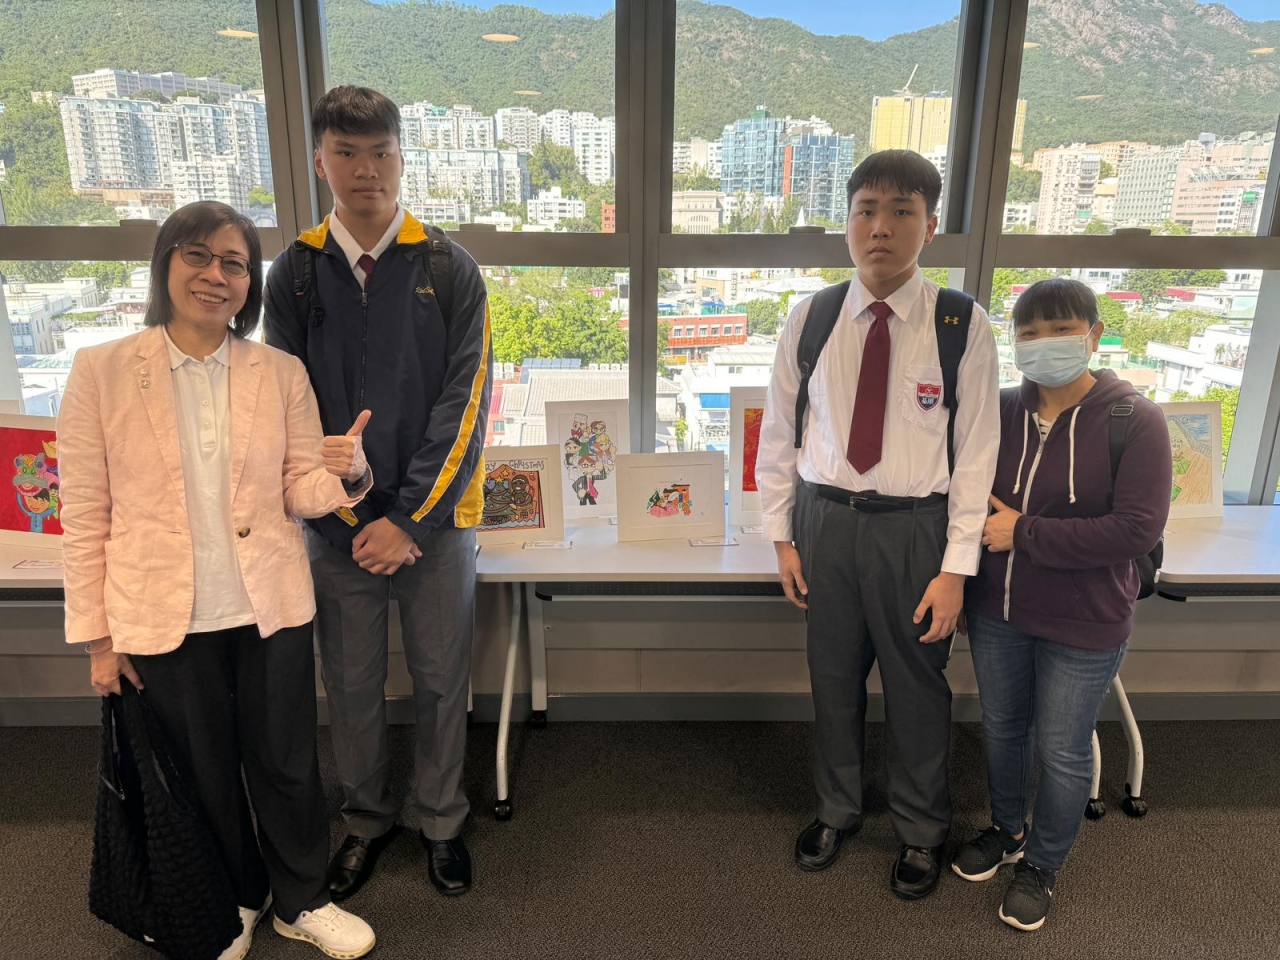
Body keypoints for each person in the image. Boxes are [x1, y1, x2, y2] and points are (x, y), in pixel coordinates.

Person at [59, 201, 379, 959]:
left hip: (268, 604)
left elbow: (297, 489)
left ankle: (302, 898)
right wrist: (99, 640)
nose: (215, 275)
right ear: (165, 264)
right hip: (160, 612)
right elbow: (84, 514)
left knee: (288, 764)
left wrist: (348, 475)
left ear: (249, 284)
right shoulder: (101, 371)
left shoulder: (279, 372)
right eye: (197, 256)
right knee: (202, 772)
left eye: (234, 263)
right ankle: (237, 897)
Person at [263, 86, 492, 901]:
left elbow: (466, 409)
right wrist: (352, 514)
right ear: (320, 162)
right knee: (352, 685)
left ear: (402, 157)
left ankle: (441, 820)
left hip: (434, 527)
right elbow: (285, 405)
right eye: (347, 153)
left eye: (381, 152)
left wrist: (408, 521)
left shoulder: (449, 268)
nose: (367, 170)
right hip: (336, 528)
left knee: (440, 679)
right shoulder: (295, 272)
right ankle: (365, 820)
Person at [757, 150, 1000, 899]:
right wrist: (781, 537)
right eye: (866, 210)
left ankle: (921, 829)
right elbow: (779, 435)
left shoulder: (960, 323)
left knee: (917, 684)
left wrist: (956, 569)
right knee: (832, 678)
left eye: (901, 212)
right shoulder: (812, 318)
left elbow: (976, 456)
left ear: (931, 225)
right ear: (847, 222)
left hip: (914, 531)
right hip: (825, 523)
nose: (881, 228)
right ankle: (836, 810)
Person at [952, 278, 1172, 931]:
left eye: (1060, 329)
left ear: (1093, 335)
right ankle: (1007, 829)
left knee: (1062, 747)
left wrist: (1024, 532)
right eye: (1028, 333)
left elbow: (1136, 530)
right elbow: (966, 500)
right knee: (1002, 729)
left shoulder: (1135, 420)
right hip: (999, 611)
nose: (1043, 343)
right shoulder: (997, 411)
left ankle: (1043, 864)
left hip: (1085, 620)